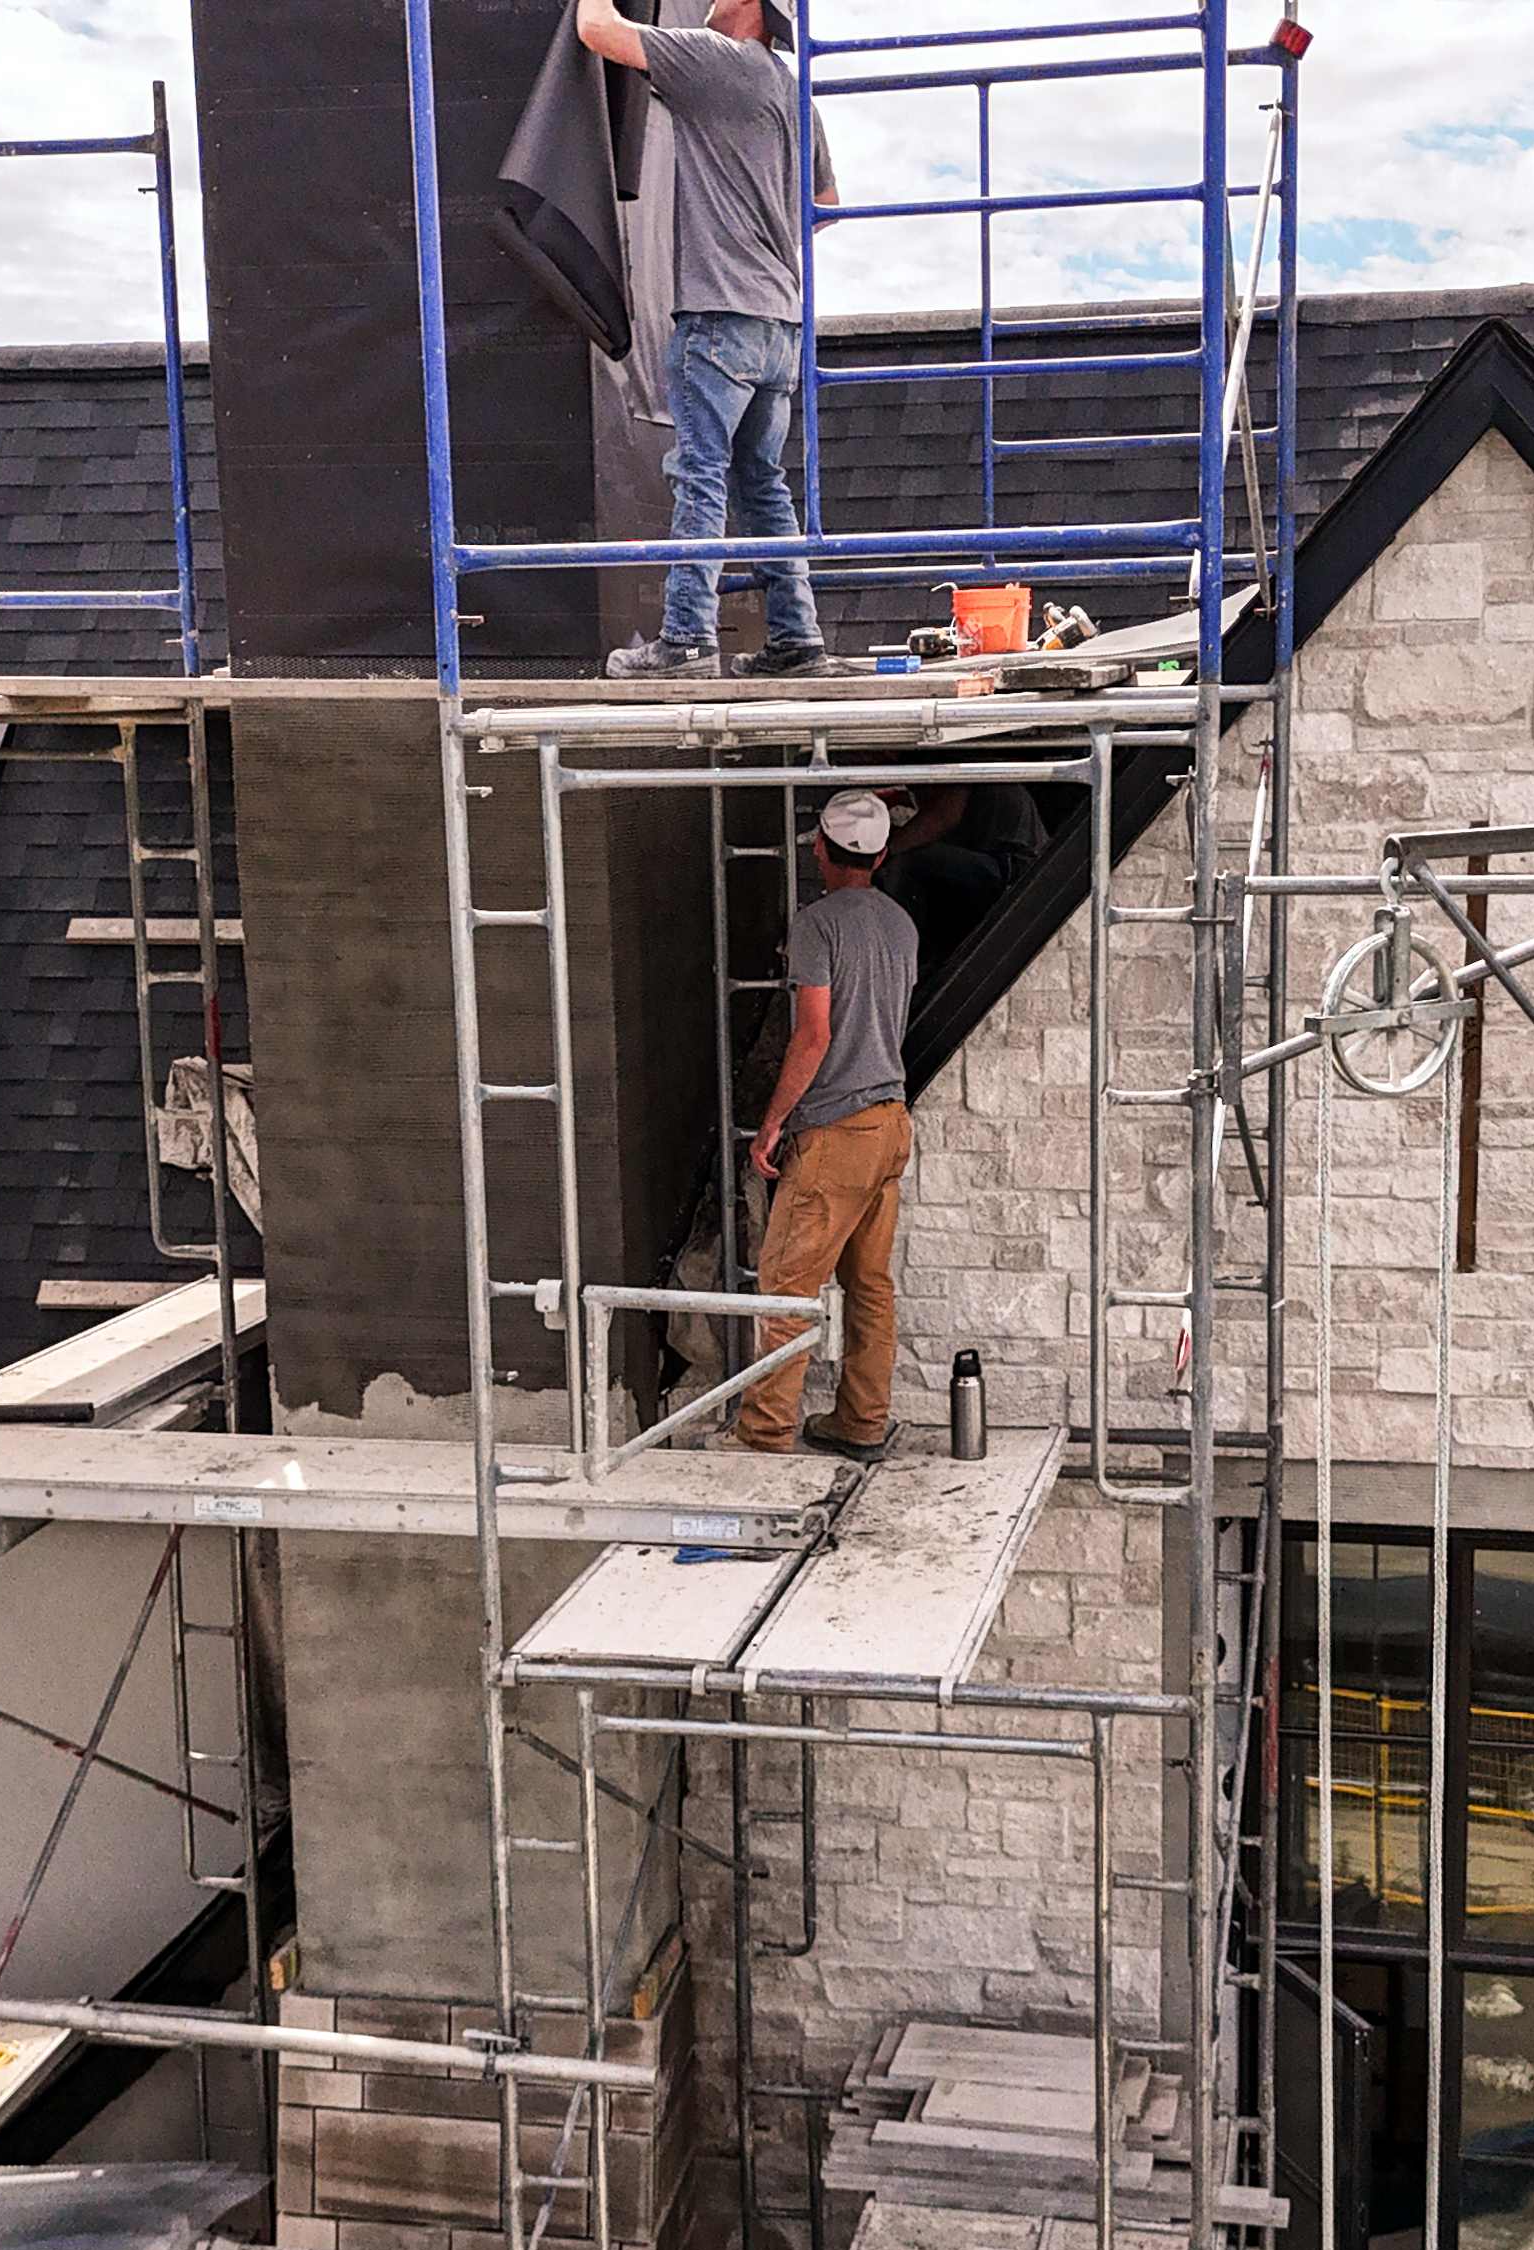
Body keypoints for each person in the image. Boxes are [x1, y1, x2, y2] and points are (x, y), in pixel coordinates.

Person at [576, 0, 837, 681]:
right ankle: (796, 639)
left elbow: (596, 29)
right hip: (779, 323)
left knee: (699, 477)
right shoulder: (794, 90)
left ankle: (686, 639)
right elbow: (827, 206)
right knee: (763, 485)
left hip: (720, 315)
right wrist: (763, 237)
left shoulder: (715, 59)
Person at [719, 790, 918, 1460]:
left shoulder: (816, 925)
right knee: (869, 1287)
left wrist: (772, 1125)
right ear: (883, 854)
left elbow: (813, 1037)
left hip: (836, 1132)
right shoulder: (900, 925)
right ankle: (862, 1422)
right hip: (891, 1123)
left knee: (786, 1290)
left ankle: (766, 1437)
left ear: (819, 850)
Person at [879, 776, 1046, 968]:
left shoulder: (967, 778)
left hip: (1014, 871)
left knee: (909, 862)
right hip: (1002, 867)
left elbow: (939, 820)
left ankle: (904, 952)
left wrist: (887, 853)